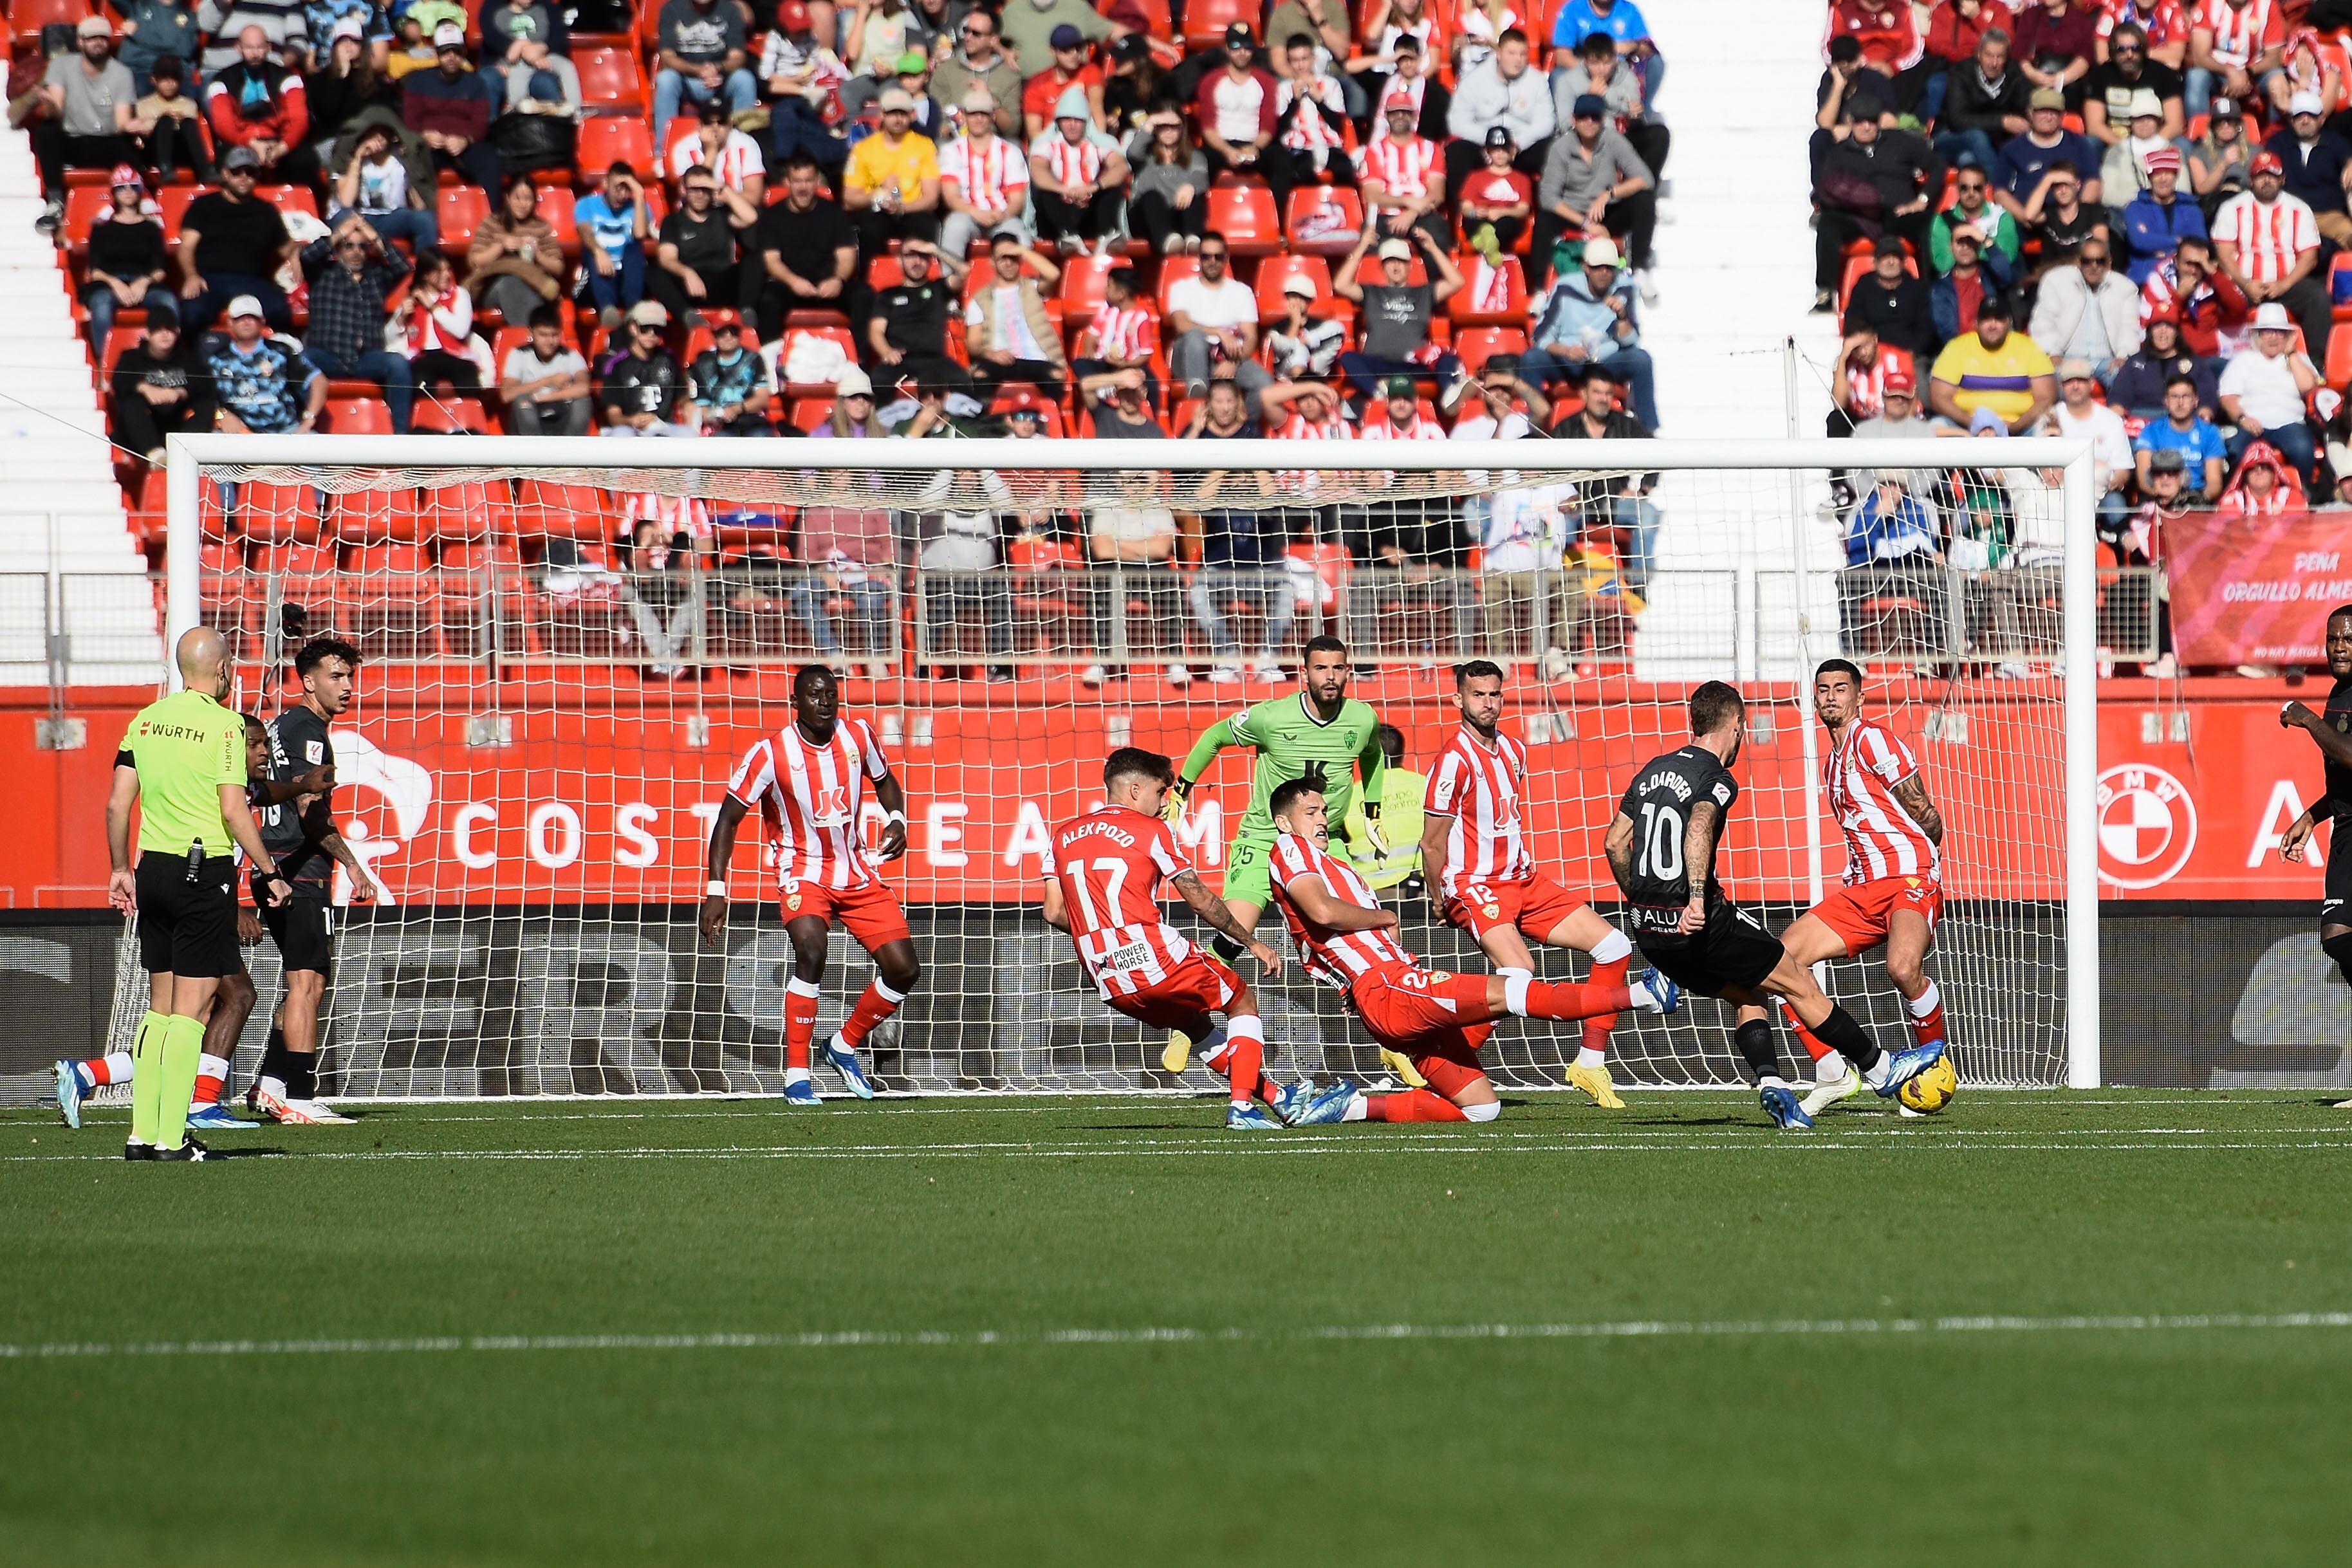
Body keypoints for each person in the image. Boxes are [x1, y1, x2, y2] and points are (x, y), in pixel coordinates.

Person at [1606, 681, 1945, 1130]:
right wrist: (1691, 898)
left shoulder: (1651, 770)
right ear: (1735, 726)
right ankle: (1882, 1071)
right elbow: (1700, 824)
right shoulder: (1715, 776)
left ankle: (1772, 1083)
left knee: (1749, 989)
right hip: (1703, 922)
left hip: (1650, 932)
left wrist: (1642, 903)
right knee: (1796, 979)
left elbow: (1613, 843)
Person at [1268, 777, 1672, 1124]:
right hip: (1387, 988)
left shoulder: (1332, 865)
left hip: (1387, 993)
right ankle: (1640, 995)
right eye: (1311, 812)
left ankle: (1351, 1107)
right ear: (1284, 822)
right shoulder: (1290, 847)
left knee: (1482, 1109)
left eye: (1324, 810)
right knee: (1512, 989)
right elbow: (1321, 911)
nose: (1322, 819)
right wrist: (1385, 918)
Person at [1041, 750, 1322, 1129]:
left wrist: (1105, 938)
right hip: (1152, 954)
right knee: (1241, 1001)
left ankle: (1276, 1097)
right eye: (1160, 793)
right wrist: (1252, 943)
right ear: (1136, 789)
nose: (1162, 805)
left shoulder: (1062, 836)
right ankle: (1241, 1109)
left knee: (1195, 1024)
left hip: (1103, 971)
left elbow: (1054, 912)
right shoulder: (1152, 831)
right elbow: (1200, 899)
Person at [100, 629, 294, 1159]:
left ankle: (141, 1134)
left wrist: (120, 868)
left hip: (152, 870)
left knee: (159, 1011)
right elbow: (235, 809)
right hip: (201, 871)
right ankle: (171, 1138)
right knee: (191, 1012)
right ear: (225, 668)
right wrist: (270, 869)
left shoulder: (145, 719)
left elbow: (118, 805)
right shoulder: (226, 725)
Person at [1418, 659, 1644, 1107]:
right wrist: (1439, 899)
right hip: (1475, 882)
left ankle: (1589, 1063)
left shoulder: (1514, 750)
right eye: (1477, 694)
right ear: (1457, 699)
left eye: (1494, 694)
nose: (1487, 702)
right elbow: (1431, 843)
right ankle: (1439, 1060)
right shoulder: (1453, 760)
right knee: (1518, 972)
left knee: (1614, 946)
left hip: (1523, 879)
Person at [699, 665, 918, 1103]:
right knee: (811, 952)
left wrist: (896, 818)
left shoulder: (858, 736)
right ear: (795, 702)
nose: (825, 702)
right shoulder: (771, 753)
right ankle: (796, 1074)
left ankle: (842, 1045)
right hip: (801, 869)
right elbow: (728, 816)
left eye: (831, 694)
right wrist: (716, 888)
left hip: (854, 868)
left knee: (904, 969)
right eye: (815, 695)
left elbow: (886, 782)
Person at [1762, 661, 1957, 1116]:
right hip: (1862, 887)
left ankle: (1934, 1067)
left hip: (1907, 875)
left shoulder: (1871, 738)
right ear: (1814, 699)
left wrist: (1924, 864)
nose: (1831, 696)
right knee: (1779, 962)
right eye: (1823, 689)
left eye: (1840, 689)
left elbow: (1923, 809)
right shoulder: (1830, 763)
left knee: (1902, 969)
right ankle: (1832, 1072)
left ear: (1858, 697)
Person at [1165, 636, 1385, 1020]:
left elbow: (1373, 754)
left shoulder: (1362, 717)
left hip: (1323, 840)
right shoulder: (1271, 717)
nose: (1330, 677)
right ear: (1304, 673)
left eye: (1338, 668)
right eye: (1320, 668)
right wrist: (1181, 793)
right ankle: (1189, 1021)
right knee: (1235, 932)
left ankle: (1392, 1036)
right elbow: (1214, 736)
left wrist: (1373, 811)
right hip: (1265, 837)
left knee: (1365, 934)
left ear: (1348, 670)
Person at [243, 636, 380, 1125]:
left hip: (274, 864)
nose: (346, 687)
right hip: (296, 869)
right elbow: (309, 808)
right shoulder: (308, 730)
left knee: (309, 982)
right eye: (335, 677)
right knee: (307, 981)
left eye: (349, 677)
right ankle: (300, 1095)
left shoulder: (283, 725)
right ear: (308, 680)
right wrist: (352, 862)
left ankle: (272, 1082)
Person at [2275, 607, 2352, 1089]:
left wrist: (2303, 718)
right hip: (2344, 827)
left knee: (2339, 936)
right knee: (2336, 938)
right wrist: (2310, 815)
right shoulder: (2337, 693)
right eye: (2331, 639)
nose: (2339, 646)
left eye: (2347, 638)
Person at [1521, 235, 1657, 429]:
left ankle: (1647, 432)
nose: (1603, 273)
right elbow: (1541, 336)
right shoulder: (1565, 287)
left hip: (1605, 362)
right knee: (1531, 359)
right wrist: (1567, 351)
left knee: (1641, 360)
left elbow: (1631, 341)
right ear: (1586, 267)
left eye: (1609, 268)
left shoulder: (1624, 287)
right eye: (1597, 267)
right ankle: (1534, 429)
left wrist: (1622, 317)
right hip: (1568, 360)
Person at [2214, 150, 2335, 360]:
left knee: (2318, 298)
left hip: (2287, 284)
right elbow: (2224, 254)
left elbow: (2310, 258)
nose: (2267, 181)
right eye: (2261, 176)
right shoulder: (2232, 208)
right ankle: (2219, 359)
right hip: (2244, 284)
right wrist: (2246, 284)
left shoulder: (2299, 209)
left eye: (2272, 175)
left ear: (2283, 179)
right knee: (2216, 295)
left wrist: (2283, 285)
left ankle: (2316, 363)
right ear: (2252, 181)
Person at [301, 212, 415, 430]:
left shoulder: (377, 276)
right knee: (303, 361)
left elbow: (402, 265)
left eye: (362, 247)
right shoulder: (323, 273)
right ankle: (307, 426)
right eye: (349, 245)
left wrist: (373, 236)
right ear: (339, 249)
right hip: (327, 356)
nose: (356, 252)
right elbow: (307, 256)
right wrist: (340, 232)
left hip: (366, 358)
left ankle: (402, 438)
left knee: (398, 364)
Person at [1333, 226, 1463, 403]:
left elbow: (1457, 281)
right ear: (1383, 266)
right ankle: (1379, 393)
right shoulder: (1372, 292)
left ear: (1409, 266)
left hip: (1413, 366)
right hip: (1378, 366)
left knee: (1449, 359)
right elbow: (1340, 284)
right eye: (1390, 261)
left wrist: (1432, 247)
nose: (1395, 266)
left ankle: (1450, 395)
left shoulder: (1424, 293)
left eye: (1401, 261)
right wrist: (1362, 246)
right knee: (1348, 358)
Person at [30, 17, 137, 208]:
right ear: (80, 41)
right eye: (92, 38)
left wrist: (139, 124)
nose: (98, 43)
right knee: (46, 131)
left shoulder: (122, 73)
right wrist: (50, 104)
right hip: (72, 140)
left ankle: (139, 201)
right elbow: (57, 108)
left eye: (103, 38)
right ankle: (55, 200)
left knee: (127, 146)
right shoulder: (61, 65)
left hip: (105, 141)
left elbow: (122, 123)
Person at [201, 24, 318, 187]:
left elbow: (299, 121)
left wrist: (281, 148)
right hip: (241, 142)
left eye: (259, 48)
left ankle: (297, 210)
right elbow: (224, 126)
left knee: (305, 159)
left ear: (268, 48)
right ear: (238, 48)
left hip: (279, 141)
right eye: (249, 48)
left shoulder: (288, 78)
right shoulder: (222, 81)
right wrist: (252, 144)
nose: (255, 54)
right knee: (230, 160)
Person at [755, 152, 860, 329]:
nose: (803, 187)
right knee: (767, 300)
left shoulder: (835, 214)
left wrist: (838, 280)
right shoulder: (772, 216)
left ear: (817, 182)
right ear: (787, 182)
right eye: (797, 181)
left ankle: (859, 356)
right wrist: (793, 282)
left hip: (829, 285)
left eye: (808, 180)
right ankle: (771, 355)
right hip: (790, 286)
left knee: (863, 296)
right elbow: (772, 261)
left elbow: (846, 256)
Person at [1444, 26, 1552, 196]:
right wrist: (1491, 142)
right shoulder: (1474, 80)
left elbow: (1546, 123)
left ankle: (1546, 211)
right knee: (1457, 151)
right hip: (1483, 147)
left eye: (1523, 54)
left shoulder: (1538, 81)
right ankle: (1464, 212)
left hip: (1520, 148)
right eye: (1512, 53)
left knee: (1552, 149)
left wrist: (1518, 143)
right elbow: (1456, 122)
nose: (1518, 60)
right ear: (1499, 54)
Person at [2219, 299, 2320, 477]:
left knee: (2303, 449)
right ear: (2258, 335)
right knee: (2234, 449)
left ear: (2287, 335)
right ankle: (2236, 495)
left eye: (2279, 332)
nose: (2273, 337)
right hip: (2251, 424)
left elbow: (2308, 386)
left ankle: (2302, 494)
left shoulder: (2299, 358)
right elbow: (2228, 396)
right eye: (2268, 332)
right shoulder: (2243, 359)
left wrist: (2291, 354)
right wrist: (2243, 419)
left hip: (2289, 423)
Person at [650, 161, 759, 326]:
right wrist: (688, 273)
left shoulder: (722, 214)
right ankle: (689, 318)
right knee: (653, 272)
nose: (700, 195)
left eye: (705, 189)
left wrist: (723, 188)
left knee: (754, 259)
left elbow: (751, 218)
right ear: (684, 191)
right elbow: (667, 258)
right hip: (691, 285)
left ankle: (746, 314)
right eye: (694, 189)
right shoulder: (673, 221)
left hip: (722, 281)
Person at [1166, 232, 1267, 406]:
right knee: (1195, 336)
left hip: (1228, 356)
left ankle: (1245, 430)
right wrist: (1220, 332)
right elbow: (1182, 325)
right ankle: (1199, 395)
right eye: (1206, 257)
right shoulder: (1181, 288)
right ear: (1199, 259)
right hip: (1189, 356)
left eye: (1218, 257)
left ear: (1226, 258)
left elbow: (1251, 338)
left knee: (1263, 382)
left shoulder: (1242, 292)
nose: (1212, 262)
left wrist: (1233, 364)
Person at [1929, 293, 2056, 432]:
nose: (1993, 325)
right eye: (1986, 319)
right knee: (1937, 425)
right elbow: (1939, 398)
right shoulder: (1956, 348)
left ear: (2009, 323)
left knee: (2047, 427)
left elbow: (2046, 398)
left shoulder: (2030, 348)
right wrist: (1974, 423)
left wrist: (2016, 426)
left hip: (2021, 428)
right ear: (1977, 323)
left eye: (1999, 319)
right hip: (1966, 427)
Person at [81, 167, 168, 364]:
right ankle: (105, 364)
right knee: (101, 303)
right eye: (121, 187)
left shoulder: (151, 228)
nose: (128, 191)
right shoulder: (101, 228)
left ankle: (166, 361)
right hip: (110, 283)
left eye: (133, 186)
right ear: (114, 192)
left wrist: (143, 282)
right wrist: (116, 284)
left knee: (167, 302)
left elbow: (159, 269)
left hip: (144, 283)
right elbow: (95, 270)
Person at [841, 87, 941, 259]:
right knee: (871, 228)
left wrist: (901, 208)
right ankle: (871, 282)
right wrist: (878, 194)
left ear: (911, 115)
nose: (898, 119)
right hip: (877, 210)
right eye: (892, 113)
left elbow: (931, 199)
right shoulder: (863, 149)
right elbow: (850, 198)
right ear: (882, 115)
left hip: (912, 210)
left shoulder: (924, 146)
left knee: (924, 225)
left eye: (903, 113)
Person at [2028, 236, 2142, 385]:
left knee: (2125, 379)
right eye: (2087, 261)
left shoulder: (2125, 288)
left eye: (2100, 261)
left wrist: (2123, 356)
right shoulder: (2055, 281)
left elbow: (2130, 328)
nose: (2094, 266)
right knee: (2049, 377)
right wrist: (2052, 352)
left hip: (2107, 361)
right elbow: (2044, 321)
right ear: (2078, 261)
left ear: (2109, 262)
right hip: (2066, 359)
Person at [207, 293, 325, 433]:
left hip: (286, 432)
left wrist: (308, 420)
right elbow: (202, 398)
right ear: (230, 323)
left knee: (314, 442)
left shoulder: (282, 352)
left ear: (262, 321)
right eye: (240, 318)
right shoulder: (216, 359)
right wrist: (222, 415)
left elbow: (319, 381)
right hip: (240, 435)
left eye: (252, 318)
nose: (246, 322)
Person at [1028, 85, 1127, 252]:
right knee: (1046, 195)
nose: (1072, 125)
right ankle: (1068, 237)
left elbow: (1119, 167)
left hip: (1088, 206)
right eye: (1067, 119)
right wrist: (1065, 190)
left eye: (1078, 120)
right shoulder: (1047, 145)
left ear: (1085, 122)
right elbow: (1038, 171)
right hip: (1059, 209)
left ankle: (1107, 233)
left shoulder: (1097, 144)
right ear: (1058, 121)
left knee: (1113, 189)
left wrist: (1093, 187)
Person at [111, 308, 214, 462]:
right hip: (141, 430)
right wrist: (145, 388)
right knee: (131, 403)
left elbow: (206, 384)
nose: (164, 334)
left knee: (206, 404)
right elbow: (119, 383)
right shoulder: (131, 358)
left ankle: (188, 452)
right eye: (157, 330)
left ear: (178, 332)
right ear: (147, 333)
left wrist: (180, 392)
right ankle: (156, 455)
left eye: (169, 329)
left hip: (177, 423)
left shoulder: (190, 359)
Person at [866, 235, 967, 393]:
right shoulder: (887, 295)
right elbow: (876, 331)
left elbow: (964, 271)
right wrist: (886, 352)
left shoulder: (939, 288)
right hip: (900, 359)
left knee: (963, 381)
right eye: (910, 255)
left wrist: (935, 250)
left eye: (922, 256)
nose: (917, 262)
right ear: (900, 260)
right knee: (878, 381)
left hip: (934, 359)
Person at [936, 90, 1030, 257]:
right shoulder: (951, 151)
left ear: (993, 116)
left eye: (984, 114)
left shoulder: (1011, 151)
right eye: (973, 114)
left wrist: (1003, 214)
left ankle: (1027, 282)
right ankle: (949, 280)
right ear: (964, 116)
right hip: (967, 214)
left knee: (1020, 235)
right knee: (954, 227)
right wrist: (976, 213)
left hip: (1001, 215)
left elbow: (1017, 200)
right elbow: (951, 197)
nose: (978, 119)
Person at [653, 0, 756, 150]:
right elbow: (667, 57)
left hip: (721, 79)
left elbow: (738, 57)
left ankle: (742, 148)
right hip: (685, 80)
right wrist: (699, 70)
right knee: (666, 79)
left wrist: (718, 68)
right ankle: (663, 151)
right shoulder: (671, 9)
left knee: (745, 79)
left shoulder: (730, 9)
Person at [466, 174, 565, 324]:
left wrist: (537, 254)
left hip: (533, 286)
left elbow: (558, 267)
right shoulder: (492, 223)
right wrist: (501, 247)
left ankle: (534, 335)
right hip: (495, 287)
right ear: (507, 198)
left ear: (534, 202)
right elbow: (474, 261)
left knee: (526, 288)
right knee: (511, 283)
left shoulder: (541, 227)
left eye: (528, 199)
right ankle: (532, 334)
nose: (522, 204)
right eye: (517, 198)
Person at [2050, 356, 2135, 530]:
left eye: (2080, 381)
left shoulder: (2111, 420)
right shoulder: (2051, 418)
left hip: (2102, 492)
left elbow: (2122, 472)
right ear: (2061, 385)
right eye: (2069, 381)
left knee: (2116, 504)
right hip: (2059, 493)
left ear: (2091, 383)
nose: (2075, 386)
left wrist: (2101, 482)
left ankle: (2123, 545)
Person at [331, 121, 439, 257]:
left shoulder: (401, 158)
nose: (379, 138)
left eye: (383, 132)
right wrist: (358, 157)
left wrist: (411, 163)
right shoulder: (349, 157)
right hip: (360, 217)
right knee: (341, 217)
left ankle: (427, 267)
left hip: (392, 217)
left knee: (425, 218)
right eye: (374, 132)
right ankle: (338, 269)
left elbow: (420, 206)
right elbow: (346, 202)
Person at [1937, 25, 2030, 174]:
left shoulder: (2014, 72)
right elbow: (1958, 120)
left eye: (2000, 57)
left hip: (1990, 142)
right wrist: (2002, 122)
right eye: (1989, 55)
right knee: (1976, 136)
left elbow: (2025, 104)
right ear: (1979, 54)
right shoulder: (1960, 73)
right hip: (1951, 134)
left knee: (1968, 159)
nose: (1994, 63)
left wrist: (2029, 117)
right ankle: (1998, 188)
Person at [2264, 88, 2352, 244]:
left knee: (2349, 235)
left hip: (2329, 216)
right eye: (2299, 116)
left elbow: (2349, 159)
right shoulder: (2277, 143)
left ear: (2322, 119)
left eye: (2311, 115)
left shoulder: (2335, 142)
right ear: (2291, 120)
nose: (2305, 120)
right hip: (2288, 215)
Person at [1195, 23, 1278, 185]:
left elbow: (1268, 125)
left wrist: (1255, 148)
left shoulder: (1266, 81)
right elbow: (1207, 127)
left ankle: (1279, 210)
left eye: (1247, 47)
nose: (1242, 52)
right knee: (1199, 162)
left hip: (1254, 144)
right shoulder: (1210, 81)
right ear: (1226, 49)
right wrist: (1227, 151)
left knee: (1282, 161)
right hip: (1221, 145)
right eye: (1235, 47)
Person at [575, 160, 654, 326]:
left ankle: (633, 308)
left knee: (634, 248)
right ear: (605, 184)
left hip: (627, 275)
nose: (622, 194)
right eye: (618, 187)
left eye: (627, 188)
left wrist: (639, 194)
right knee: (592, 252)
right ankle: (608, 310)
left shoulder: (639, 206)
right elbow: (585, 233)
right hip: (597, 276)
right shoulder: (586, 204)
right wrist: (599, 252)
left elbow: (640, 234)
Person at [1070, 265, 1159, 409]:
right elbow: (1091, 338)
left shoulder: (1141, 317)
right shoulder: (1105, 310)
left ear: (1121, 293)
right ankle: (1101, 391)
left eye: (1109, 286)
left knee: (1152, 383)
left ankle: (1153, 418)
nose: (1106, 290)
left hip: (1130, 364)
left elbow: (1145, 354)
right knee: (1080, 363)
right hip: (1103, 363)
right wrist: (1092, 356)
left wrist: (1125, 365)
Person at [598, 299, 692, 435]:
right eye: (645, 328)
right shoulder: (616, 365)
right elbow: (613, 416)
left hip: (663, 425)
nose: (651, 334)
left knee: (688, 435)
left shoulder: (669, 359)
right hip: (629, 427)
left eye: (657, 330)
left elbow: (683, 398)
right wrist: (632, 420)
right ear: (633, 328)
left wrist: (690, 409)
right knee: (622, 435)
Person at [1125, 105, 1207, 255]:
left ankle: (1193, 240)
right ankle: (1168, 240)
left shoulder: (1195, 156)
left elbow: (1200, 176)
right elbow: (1132, 152)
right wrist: (1150, 122)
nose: (1168, 130)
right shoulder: (1145, 156)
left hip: (1177, 214)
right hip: (1146, 218)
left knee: (1196, 193)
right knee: (1152, 196)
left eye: (1174, 126)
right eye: (1162, 126)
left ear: (1182, 128)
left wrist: (1190, 186)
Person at [500, 304, 591, 434]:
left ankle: (572, 450)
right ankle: (534, 451)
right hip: (530, 415)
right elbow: (507, 394)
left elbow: (584, 388)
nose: (550, 341)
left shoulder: (571, 356)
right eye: (543, 335)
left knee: (582, 403)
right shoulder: (518, 354)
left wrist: (543, 397)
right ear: (531, 333)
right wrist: (547, 381)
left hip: (561, 413)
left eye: (554, 335)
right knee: (522, 402)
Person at [2187, 0, 2286, 120]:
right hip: (2217, 71)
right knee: (2196, 76)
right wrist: (2230, 72)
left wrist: (2247, 73)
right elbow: (2200, 57)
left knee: (2278, 81)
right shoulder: (2208, 4)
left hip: (2255, 72)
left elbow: (2274, 59)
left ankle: (2276, 136)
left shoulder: (2268, 5)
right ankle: (2199, 135)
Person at [2132, 372, 2227, 497]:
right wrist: (2166, 499)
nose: (2180, 403)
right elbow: (2144, 480)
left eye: (2186, 396)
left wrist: (2195, 501)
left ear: (2196, 401)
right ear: (2166, 401)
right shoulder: (2151, 431)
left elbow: (2214, 483)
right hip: (2158, 496)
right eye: (2174, 397)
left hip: (2196, 497)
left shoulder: (2210, 432)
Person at [929, 8, 1021, 135]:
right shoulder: (946, 71)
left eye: (976, 33)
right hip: (954, 143)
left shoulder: (1009, 76)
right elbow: (938, 120)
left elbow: (1011, 129)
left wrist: (990, 98)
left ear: (993, 39)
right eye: (966, 31)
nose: (967, 37)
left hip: (995, 144)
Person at [1844, 233, 1938, 358]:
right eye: (1885, 257)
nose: (1890, 262)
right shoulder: (1863, 288)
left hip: (1913, 356)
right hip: (1874, 355)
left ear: (1903, 262)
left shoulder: (1919, 289)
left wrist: (1912, 352)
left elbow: (1926, 327)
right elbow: (1854, 322)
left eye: (1895, 257)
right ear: (1875, 262)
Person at [2122, 146, 2205, 282]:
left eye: (2168, 173)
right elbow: (2140, 240)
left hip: (2184, 279)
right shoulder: (2135, 208)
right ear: (2149, 178)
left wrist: (2159, 250)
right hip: (2145, 278)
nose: (2163, 179)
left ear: (2176, 176)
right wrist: (2178, 242)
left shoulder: (2191, 208)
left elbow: (2200, 244)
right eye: (2157, 174)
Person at [128, 53, 214, 183]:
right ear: (153, 79)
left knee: (188, 122)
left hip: (181, 149)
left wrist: (156, 119)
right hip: (153, 151)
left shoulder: (189, 103)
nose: (169, 83)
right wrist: (162, 118)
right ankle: (165, 168)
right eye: (164, 78)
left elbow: (189, 128)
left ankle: (206, 171)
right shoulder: (142, 105)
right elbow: (143, 130)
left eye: (174, 79)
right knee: (165, 121)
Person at [1931, 167, 2023, 283]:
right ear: (1958, 190)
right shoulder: (1942, 220)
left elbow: (2007, 259)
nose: (1971, 193)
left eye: (1977, 188)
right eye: (1964, 188)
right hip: (1954, 286)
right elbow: (1943, 264)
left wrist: (1961, 251)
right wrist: (1987, 248)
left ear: (1985, 189)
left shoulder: (2002, 217)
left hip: (1991, 283)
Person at [686, 309, 772, 433]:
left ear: (740, 335)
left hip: (751, 420)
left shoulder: (754, 359)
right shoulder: (703, 363)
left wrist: (737, 409)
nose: (728, 337)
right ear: (714, 335)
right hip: (719, 425)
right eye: (722, 332)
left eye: (734, 332)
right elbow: (701, 406)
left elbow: (763, 399)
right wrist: (715, 415)